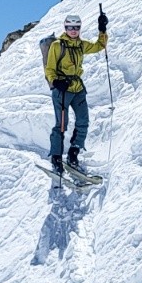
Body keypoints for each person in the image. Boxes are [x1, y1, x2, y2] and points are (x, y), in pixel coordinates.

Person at [44, 10, 108, 175]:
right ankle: (56, 157)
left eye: (76, 27)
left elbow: (99, 46)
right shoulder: (57, 45)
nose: (73, 30)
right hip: (62, 90)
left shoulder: (81, 44)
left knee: (83, 121)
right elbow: (49, 69)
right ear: (65, 28)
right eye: (70, 27)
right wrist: (56, 81)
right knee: (61, 125)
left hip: (78, 89)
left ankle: (74, 153)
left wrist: (102, 29)